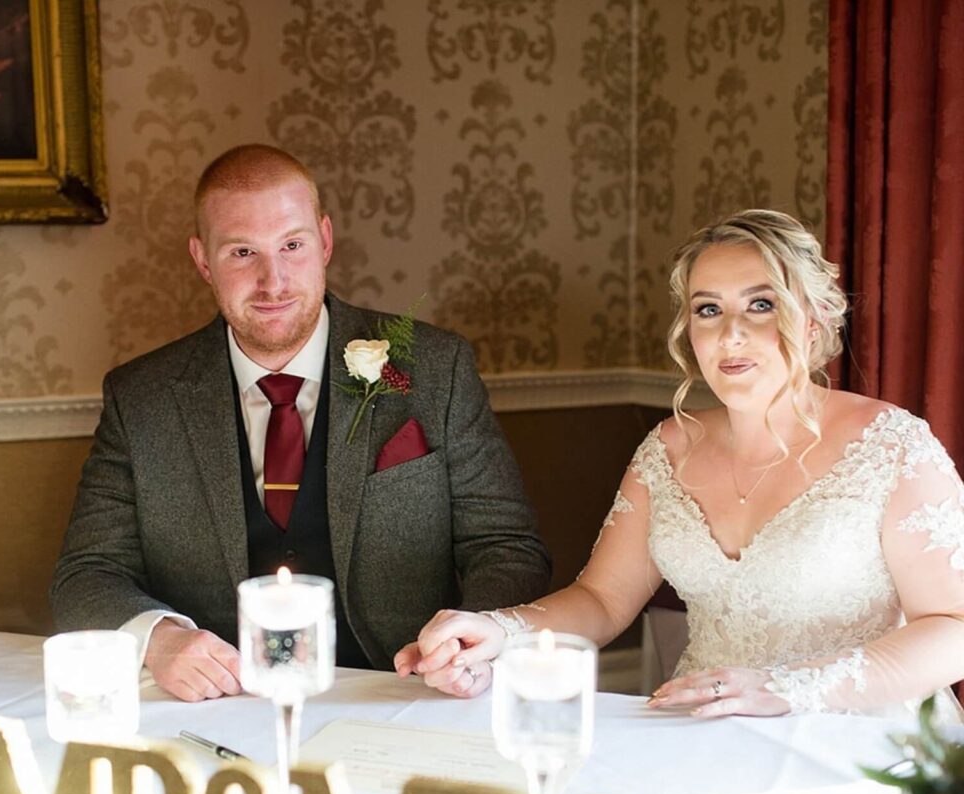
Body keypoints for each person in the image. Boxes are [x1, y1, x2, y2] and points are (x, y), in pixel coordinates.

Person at [397, 209, 964, 722]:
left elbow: (953, 628)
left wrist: (791, 687)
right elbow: (601, 600)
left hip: (865, 745)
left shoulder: (892, 447)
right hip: (706, 735)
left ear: (813, 321)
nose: (730, 334)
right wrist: (497, 631)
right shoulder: (667, 449)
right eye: (708, 310)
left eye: (761, 305)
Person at [51, 143, 550, 701]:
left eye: (292, 245)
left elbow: (507, 548)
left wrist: (465, 642)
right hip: (222, 705)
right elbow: (87, 573)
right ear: (202, 260)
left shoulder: (435, 369)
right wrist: (160, 640)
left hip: (400, 695)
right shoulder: (141, 398)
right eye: (242, 252)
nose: (274, 281)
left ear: (326, 241)